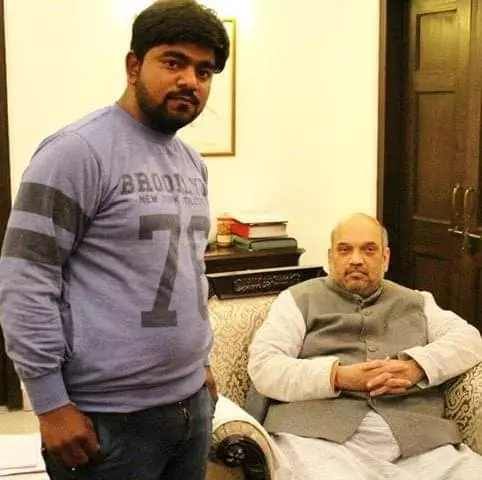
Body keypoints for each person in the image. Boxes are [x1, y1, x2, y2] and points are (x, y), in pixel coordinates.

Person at [0, 1, 229, 478]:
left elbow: (189, 272)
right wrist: (49, 402)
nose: (190, 80)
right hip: (107, 420)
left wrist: (201, 363)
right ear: (133, 65)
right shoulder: (76, 152)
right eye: (174, 62)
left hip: (190, 407)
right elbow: (26, 279)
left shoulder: (192, 163)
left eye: (204, 71)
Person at [247, 213, 482, 480]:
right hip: (317, 439)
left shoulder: (418, 302)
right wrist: (337, 376)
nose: (356, 259)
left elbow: (469, 339)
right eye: (344, 250)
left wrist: (417, 367)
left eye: (369, 250)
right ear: (330, 257)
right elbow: (264, 366)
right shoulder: (297, 300)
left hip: (417, 442)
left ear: (385, 258)